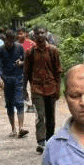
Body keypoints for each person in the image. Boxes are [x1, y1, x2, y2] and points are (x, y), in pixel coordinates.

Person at [25, 26, 63, 154]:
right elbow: (26, 72)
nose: (40, 35)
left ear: (46, 34)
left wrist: (58, 88)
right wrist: (24, 89)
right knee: (40, 116)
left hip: (51, 87)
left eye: (42, 33)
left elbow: (58, 71)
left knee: (50, 116)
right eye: (38, 33)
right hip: (37, 89)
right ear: (34, 36)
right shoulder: (30, 53)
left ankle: (50, 140)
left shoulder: (53, 51)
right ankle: (41, 142)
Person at [0, 30, 28, 138]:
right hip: (6, 79)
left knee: (19, 102)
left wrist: (21, 63)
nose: (8, 43)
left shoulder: (19, 48)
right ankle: (13, 129)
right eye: (6, 41)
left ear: (13, 41)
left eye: (10, 41)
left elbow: (25, 61)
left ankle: (21, 128)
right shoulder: (0, 50)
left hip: (18, 77)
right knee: (9, 104)